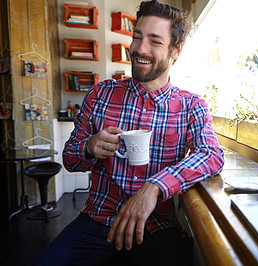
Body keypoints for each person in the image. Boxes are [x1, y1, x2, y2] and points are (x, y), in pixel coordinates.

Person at [34, 1, 224, 265]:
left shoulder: (191, 105)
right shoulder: (100, 94)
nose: (139, 49)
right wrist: (89, 146)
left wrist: (154, 187)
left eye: (154, 41)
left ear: (176, 51)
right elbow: (69, 158)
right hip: (96, 220)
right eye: (136, 37)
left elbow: (212, 156)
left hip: (156, 225)